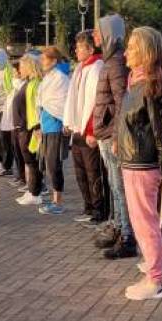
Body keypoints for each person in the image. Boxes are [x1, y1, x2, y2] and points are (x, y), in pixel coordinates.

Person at [117, 26, 162, 300]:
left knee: (145, 223)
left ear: (144, 52)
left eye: (131, 47)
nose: (126, 52)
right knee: (142, 221)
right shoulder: (137, 82)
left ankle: (156, 279)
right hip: (133, 162)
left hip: (144, 165)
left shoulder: (153, 84)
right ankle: (154, 271)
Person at [92, 14, 137, 260]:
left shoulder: (116, 62)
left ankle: (127, 237)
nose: (95, 37)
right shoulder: (111, 60)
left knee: (119, 187)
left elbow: (122, 101)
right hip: (106, 134)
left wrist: (117, 135)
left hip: (112, 136)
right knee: (115, 186)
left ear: (109, 34)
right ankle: (120, 228)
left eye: (98, 32)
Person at [64, 31, 105, 226]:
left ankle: (98, 210)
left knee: (93, 172)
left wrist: (92, 131)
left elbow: (96, 102)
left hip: (89, 131)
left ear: (90, 49)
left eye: (80, 47)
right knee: (80, 172)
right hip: (78, 129)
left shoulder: (97, 67)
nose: (76, 50)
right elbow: (73, 98)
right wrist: (68, 122)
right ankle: (88, 207)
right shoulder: (80, 68)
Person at [36, 47, 70, 215]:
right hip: (46, 127)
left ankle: (58, 202)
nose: (41, 63)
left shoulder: (61, 79)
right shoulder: (48, 78)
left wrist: (65, 121)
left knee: (54, 164)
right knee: (48, 165)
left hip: (56, 127)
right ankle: (55, 199)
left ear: (54, 61)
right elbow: (42, 102)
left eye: (44, 59)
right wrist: (39, 126)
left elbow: (63, 103)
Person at [14, 53, 44, 206]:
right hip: (23, 127)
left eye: (21, 66)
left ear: (28, 66)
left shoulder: (35, 83)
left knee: (32, 161)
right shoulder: (28, 82)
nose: (19, 69)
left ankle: (35, 192)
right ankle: (32, 189)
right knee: (29, 160)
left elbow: (35, 108)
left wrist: (36, 127)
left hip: (30, 128)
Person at [0, 62, 24, 178]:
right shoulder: (13, 87)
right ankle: (20, 176)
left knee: (21, 153)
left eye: (14, 72)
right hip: (9, 122)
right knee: (14, 150)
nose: (12, 74)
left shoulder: (21, 86)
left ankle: (24, 178)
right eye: (12, 72)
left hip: (18, 124)